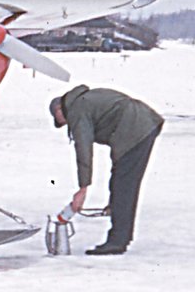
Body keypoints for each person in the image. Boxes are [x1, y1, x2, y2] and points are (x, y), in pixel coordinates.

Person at [49, 84, 164, 255]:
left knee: (124, 184)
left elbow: (83, 148)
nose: (64, 123)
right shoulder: (84, 101)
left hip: (137, 127)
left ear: (59, 108)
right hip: (143, 123)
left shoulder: (76, 109)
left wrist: (83, 188)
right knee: (122, 181)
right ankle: (121, 234)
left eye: (58, 118)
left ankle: (118, 241)